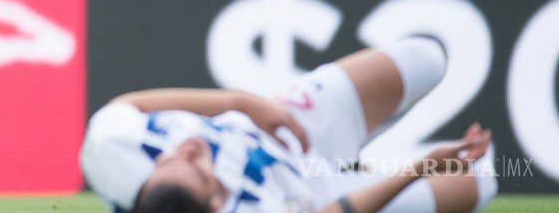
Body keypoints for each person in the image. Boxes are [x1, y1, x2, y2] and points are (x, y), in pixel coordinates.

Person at [81, 38, 498, 212]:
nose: (188, 148)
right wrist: (419, 168)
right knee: (483, 177)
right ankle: (362, 171)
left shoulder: (113, 156)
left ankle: (361, 161)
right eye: (194, 167)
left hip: (286, 127)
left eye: (169, 161)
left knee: (427, 57)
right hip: (313, 194)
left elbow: (127, 105)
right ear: (213, 206)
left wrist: (243, 103)